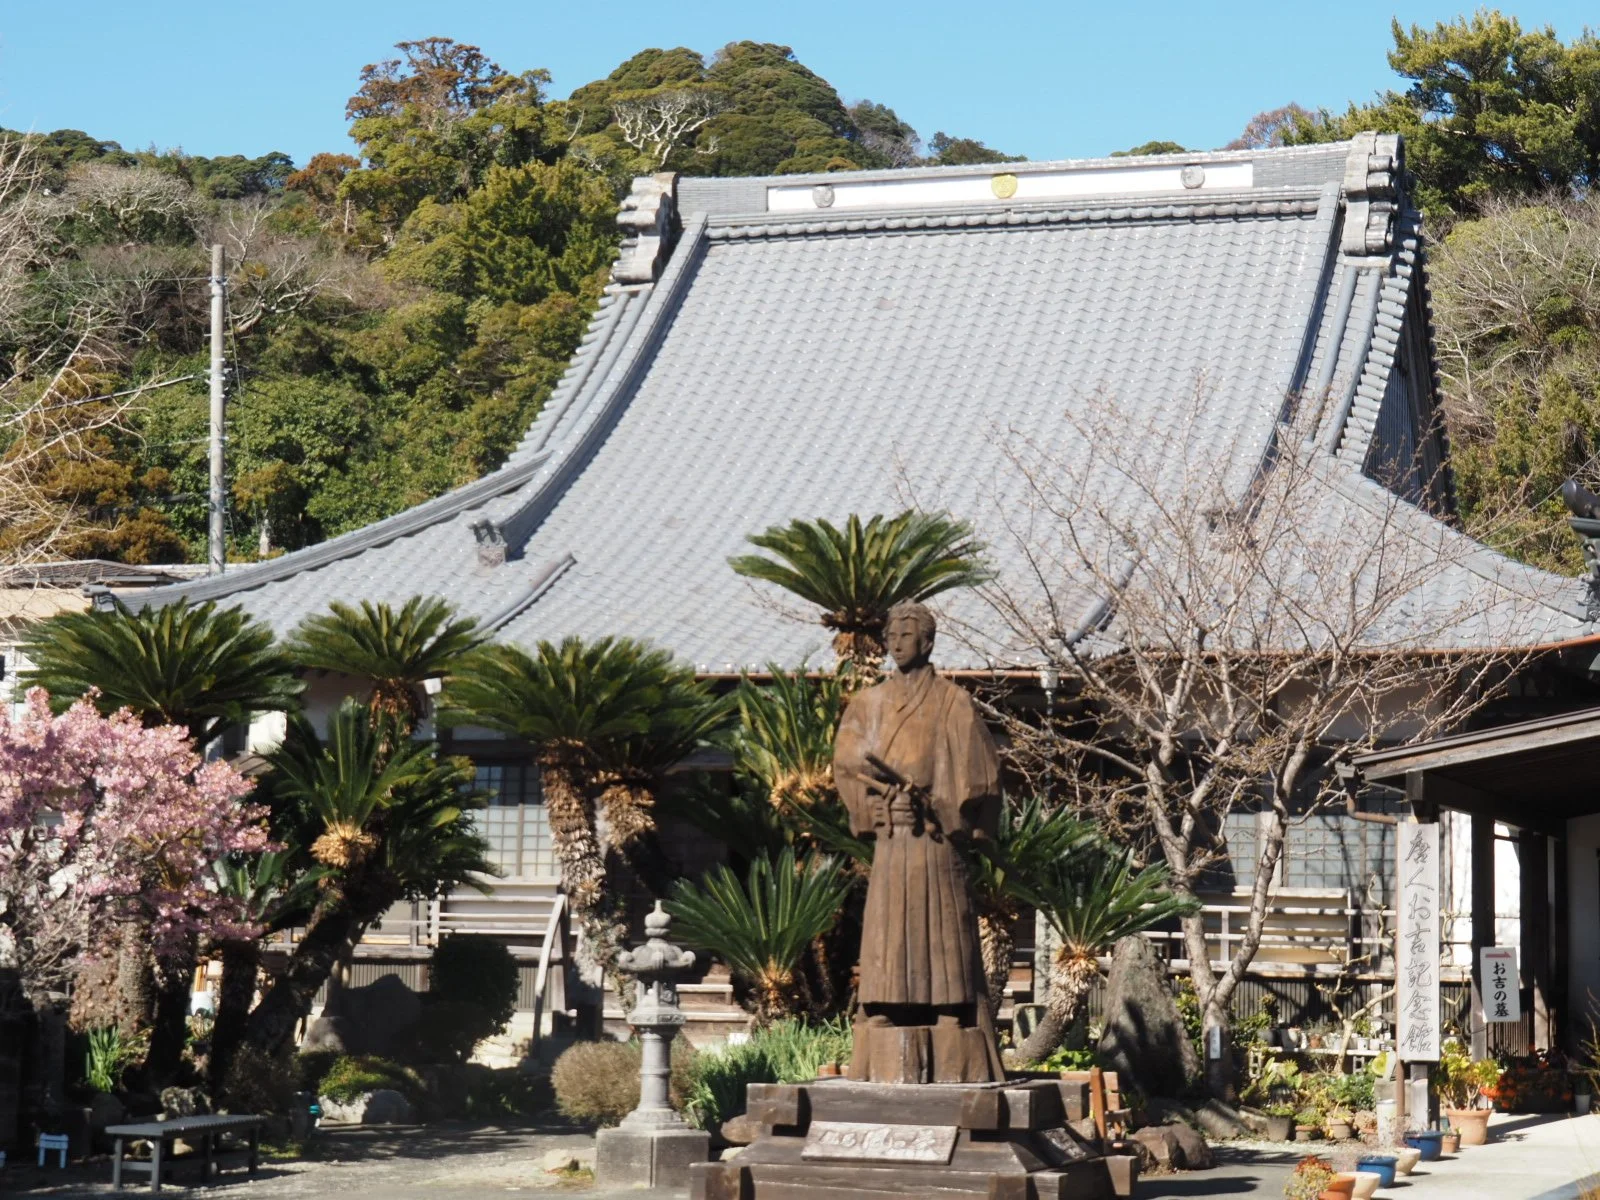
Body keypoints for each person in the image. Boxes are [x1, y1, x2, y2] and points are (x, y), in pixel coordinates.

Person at [833, 599, 1005, 1083]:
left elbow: (981, 775)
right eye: (891, 634)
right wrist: (879, 808)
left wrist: (941, 806)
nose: (895, 642)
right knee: (890, 925)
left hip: (935, 840)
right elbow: (848, 766)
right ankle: (884, 1005)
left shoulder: (953, 702)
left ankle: (951, 1008)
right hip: (894, 841)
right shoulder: (868, 704)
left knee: (942, 923)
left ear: (927, 642)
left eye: (906, 634)